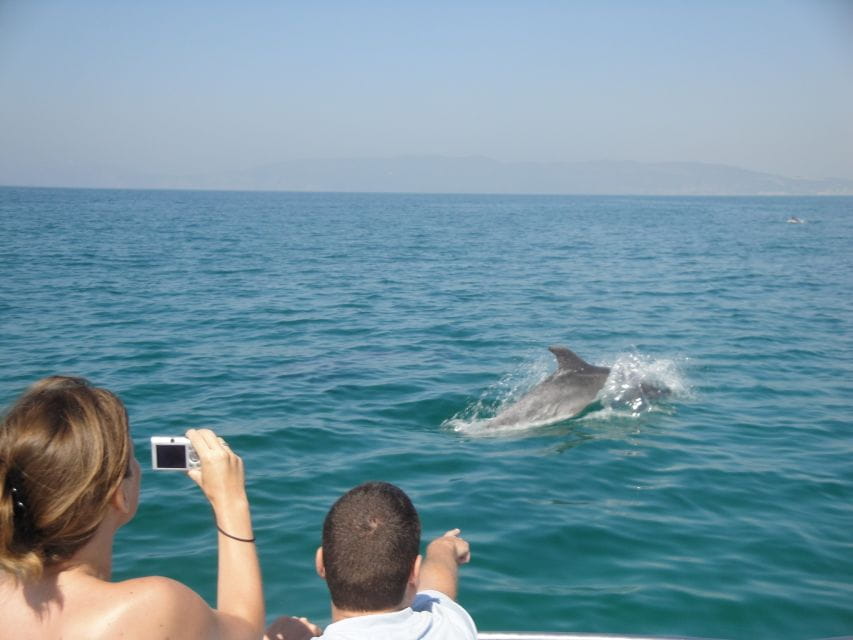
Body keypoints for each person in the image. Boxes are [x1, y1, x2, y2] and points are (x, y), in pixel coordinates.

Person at [0, 376, 264, 640]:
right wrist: (230, 499)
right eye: (131, 458)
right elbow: (245, 632)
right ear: (119, 495)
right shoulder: (151, 608)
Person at [265, 481, 477, 640]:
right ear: (416, 572)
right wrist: (444, 547)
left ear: (321, 564)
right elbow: (440, 583)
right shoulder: (450, 627)